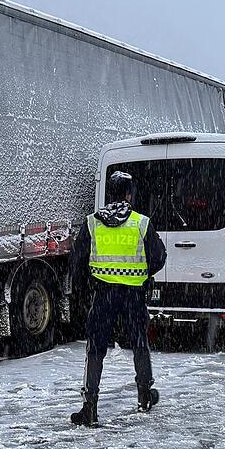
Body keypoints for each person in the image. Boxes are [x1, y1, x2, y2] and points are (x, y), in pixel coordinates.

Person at [69, 171, 167, 426]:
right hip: (133, 296)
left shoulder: (91, 223)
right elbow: (159, 257)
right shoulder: (141, 223)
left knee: (96, 349)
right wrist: (141, 273)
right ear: (128, 195)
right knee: (139, 344)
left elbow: (77, 261)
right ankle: (144, 395)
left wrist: (84, 292)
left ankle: (90, 406)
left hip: (103, 295)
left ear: (109, 194)